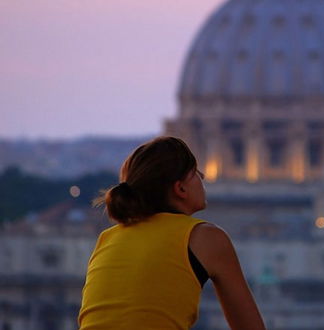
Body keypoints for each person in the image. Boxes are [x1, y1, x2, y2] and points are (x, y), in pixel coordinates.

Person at [78, 136, 266, 330]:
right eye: (195, 172)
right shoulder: (205, 237)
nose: (203, 176)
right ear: (180, 188)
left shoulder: (107, 237)